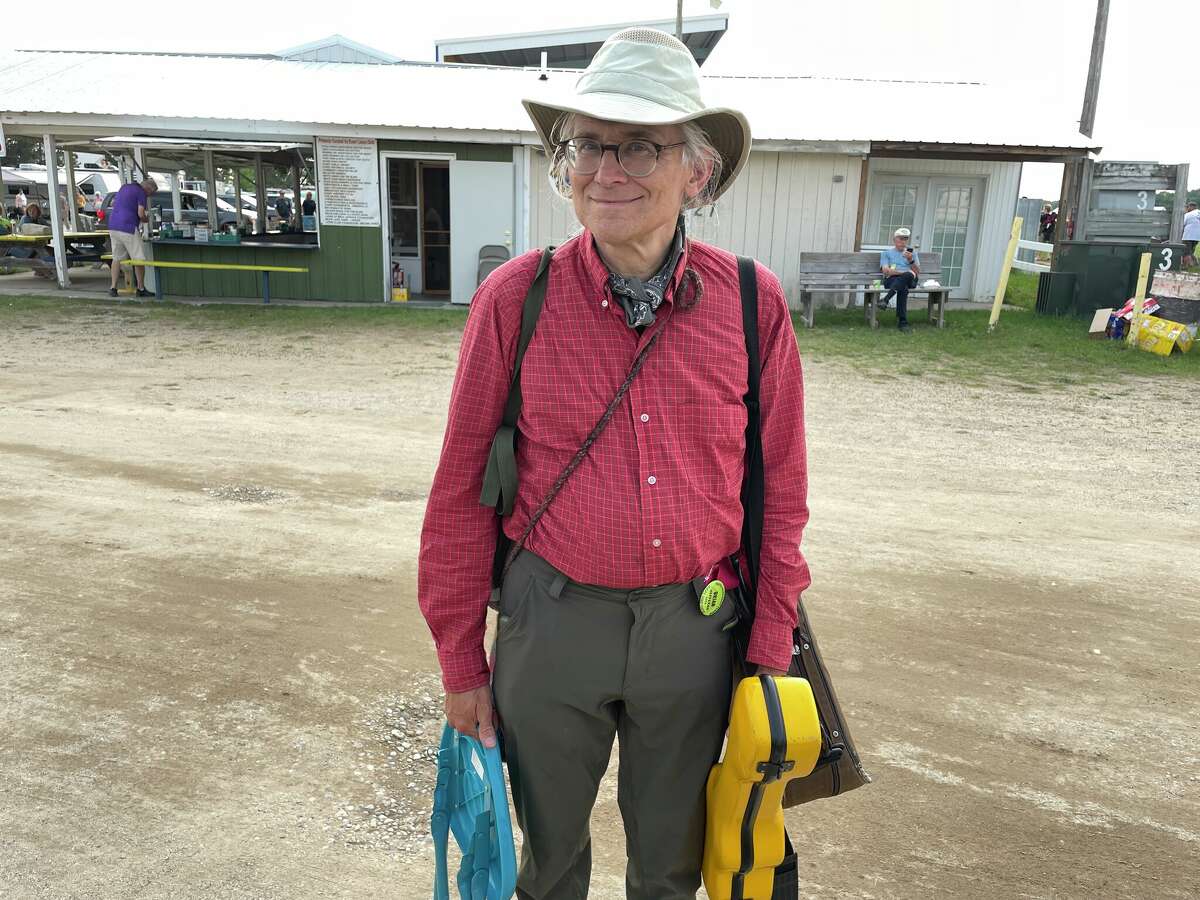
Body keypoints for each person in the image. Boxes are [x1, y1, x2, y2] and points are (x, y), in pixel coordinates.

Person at [419, 28, 810, 899]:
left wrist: (769, 643)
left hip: (694, 629)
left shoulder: (753, 304)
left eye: (639, 145)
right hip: (550, 620)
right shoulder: (514, 299)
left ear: (695, 173)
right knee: (546, 863)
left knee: (672, 866)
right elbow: (456, 496)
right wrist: (461, 661)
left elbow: (781, 495)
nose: (607, 169)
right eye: (589, 144)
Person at [106, 178, 157, 298]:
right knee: (138, 258)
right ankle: (141, 288)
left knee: (116, 258)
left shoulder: (124, 188)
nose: (149, 196)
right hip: (128, 227)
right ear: (148, 189)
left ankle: (113, 288)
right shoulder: (141, 193)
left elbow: (114, 203)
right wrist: (146, 219)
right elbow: (140, 213)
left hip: (113, 225)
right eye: (151, 193)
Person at [880, 227, 921, 332]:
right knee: (903, 287)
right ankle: (903, 323)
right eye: (901, 239)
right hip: (892, 280)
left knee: (907, 277)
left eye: (905, 239)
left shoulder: (912, 254)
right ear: (894, 239)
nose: (903, 242)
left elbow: (917, 272)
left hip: (910, 280)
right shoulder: (886, 253)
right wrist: (905, 272)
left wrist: (910, 260)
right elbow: (885, 271)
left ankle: (885, 299)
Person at [1182, 200, 1199, 269]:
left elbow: (1182, 224)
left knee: (1186, 252)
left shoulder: (1188, 214)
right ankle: (1195, 264)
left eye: (1188, 207)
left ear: (1191, 207)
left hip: (1188, 235)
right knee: (1191, 250)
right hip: (1198, 236)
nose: (1187, 208)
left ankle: (1187, 266)